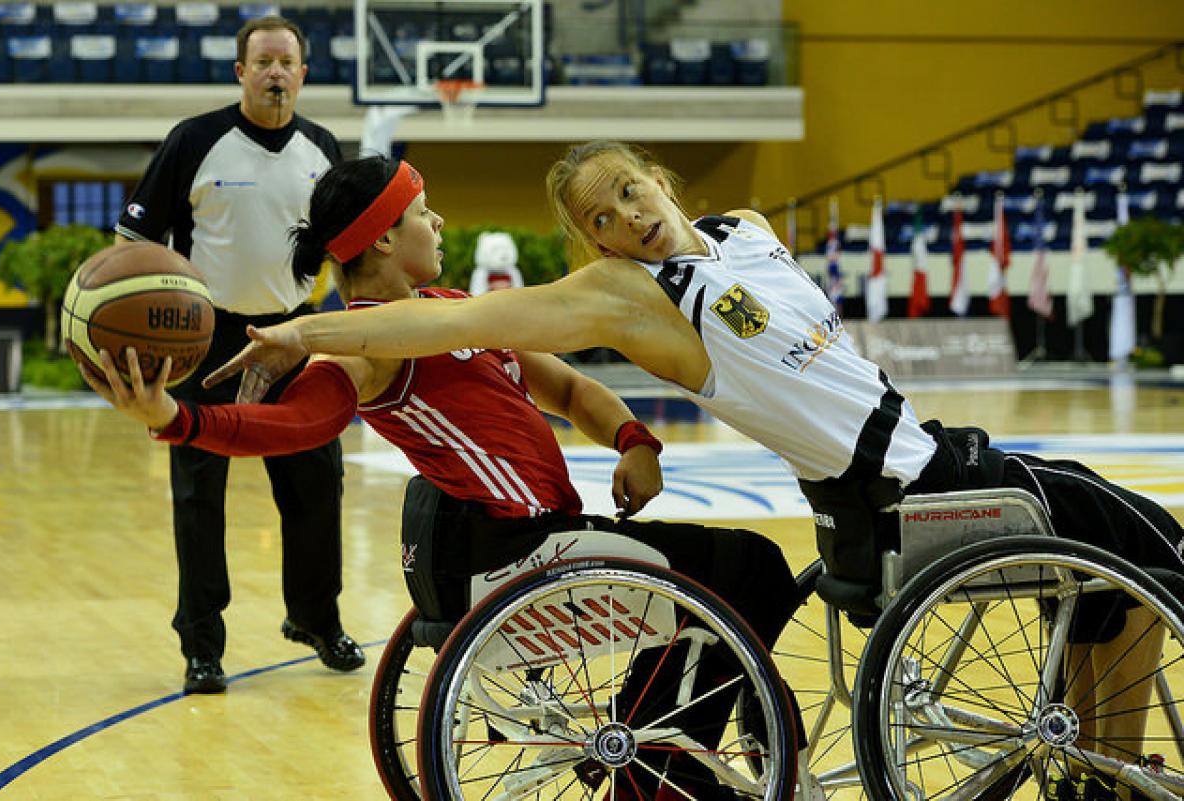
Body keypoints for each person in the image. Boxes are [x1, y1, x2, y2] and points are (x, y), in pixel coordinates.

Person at [206, 141, 1184, 799]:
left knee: (1120, 565)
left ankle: (1096, 763)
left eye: (633, 189)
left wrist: (633, 440)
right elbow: (451, 320)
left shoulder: (749, 231)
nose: (628, 216)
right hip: (908, 494)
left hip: (938, 451)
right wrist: (302, 329)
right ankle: (1107, 772)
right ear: (591, 245)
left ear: (663, 182)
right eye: (602, 217)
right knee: (1154, 565)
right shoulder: (631, 300)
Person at [87, 154, 800, 799]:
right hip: (516, 552)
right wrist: (179, 419)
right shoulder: (362, 347)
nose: (440, 220)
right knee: (756, 568)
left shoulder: (452, 311)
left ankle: (656, 744)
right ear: (387, 239)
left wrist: (632, 438)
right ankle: (665, 767)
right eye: (423, 211)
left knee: (723, 582)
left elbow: (569, 388)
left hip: (536, 544)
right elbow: (301, 425)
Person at [112, 14, 362, 695]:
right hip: (206, 339)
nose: (276, 72)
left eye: (288, 61)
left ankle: (315, 618)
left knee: (317, 484)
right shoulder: (194, 140)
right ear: (241, 72)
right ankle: (202, 646)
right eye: (264, 62)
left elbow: (344, 250)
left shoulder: (323, 147)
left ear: (304, 74)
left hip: (295, 336)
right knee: (199, 494)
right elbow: (135, 242)